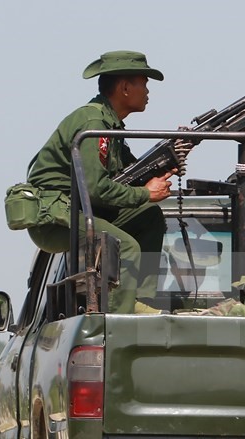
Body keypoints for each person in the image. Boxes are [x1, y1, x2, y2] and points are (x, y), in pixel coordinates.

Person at [26, 50, 179, 314]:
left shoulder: (110, 126)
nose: (148, 91)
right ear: (125, 87)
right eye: (144, 82)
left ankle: (139, 301)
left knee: (149, 217)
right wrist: (145, 193)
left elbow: (128, 173)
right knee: (126, 246)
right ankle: (120, 321)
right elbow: (95, 188)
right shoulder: (95, 122)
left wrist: (164, 165)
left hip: (78, 209)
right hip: (56, 216)